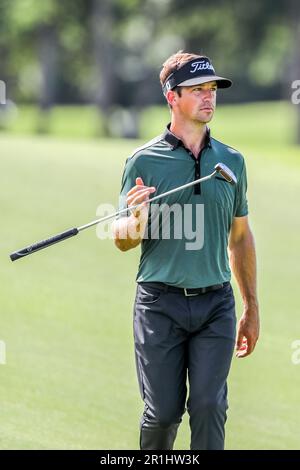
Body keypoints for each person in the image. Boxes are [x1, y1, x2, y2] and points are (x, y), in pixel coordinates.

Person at [112, 51, 260, 450]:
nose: (209, 97)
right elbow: (122, 237)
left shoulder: (231, 162)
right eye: (198, 90)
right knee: (162, 414)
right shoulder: (143, 160)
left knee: (210, 406)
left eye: (212, 89)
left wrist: (251, 306)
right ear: (172, 97)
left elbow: (241, 237)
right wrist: (137, 219)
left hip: (216, 304)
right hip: (160, 304)